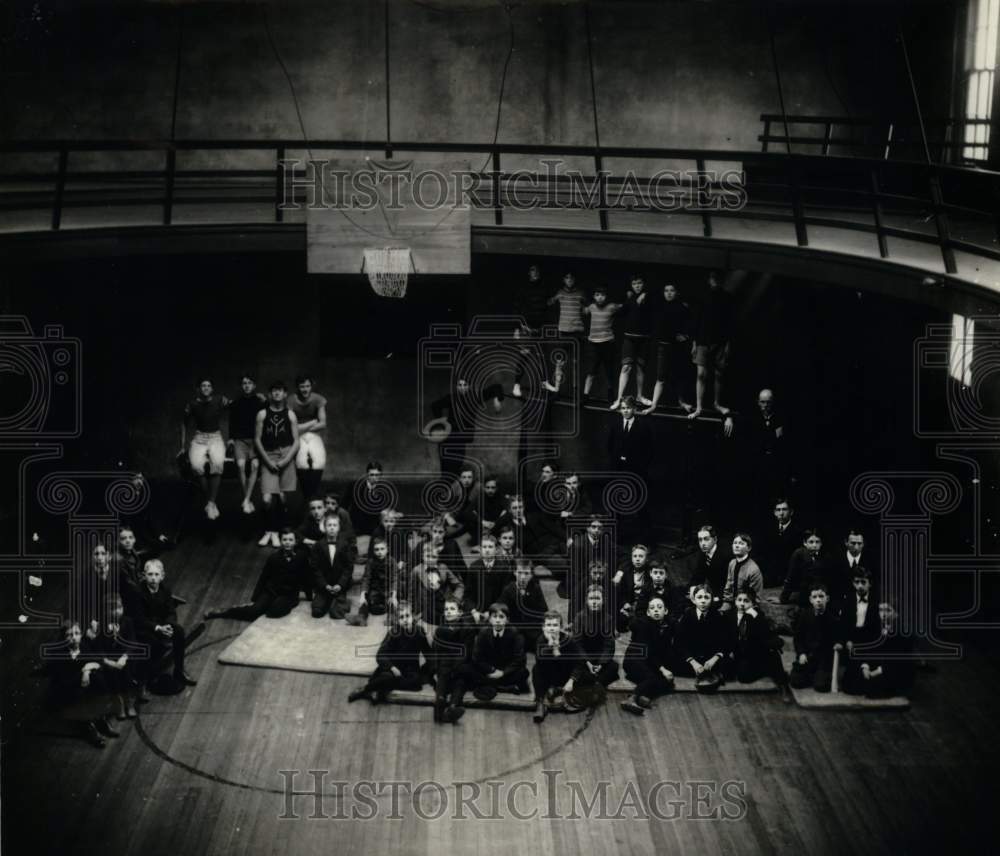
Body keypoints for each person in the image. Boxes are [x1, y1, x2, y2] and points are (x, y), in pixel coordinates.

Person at [204, 528, 308, 622]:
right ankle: (225, 611)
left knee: (273, 612)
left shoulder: (301, 557)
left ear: (296, 542)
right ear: (281, 541)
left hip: (288, 595)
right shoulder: (274, 557)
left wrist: (309, 595)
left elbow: (307, 576)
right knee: (254, 611)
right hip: (272, 591)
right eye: (285, 540)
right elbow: (264, 577)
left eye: (290, 540)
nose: (287, 543)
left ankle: (269, 605)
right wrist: (256, 598)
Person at [45, 620, 118, 748]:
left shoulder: (83, 646)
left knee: (97, 678)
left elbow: (96, 661)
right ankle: (89, 728)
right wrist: (82, 674)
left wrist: (86, 670)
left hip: (84, 682)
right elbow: (64, 682)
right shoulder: (58, 655)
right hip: (68, 688)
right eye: (69, 635)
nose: (74, 637)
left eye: (77, 633)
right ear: (63, 638)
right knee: (79, 695)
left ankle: (101, 720)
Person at [132, 558, 198, 689]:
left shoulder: (165, 590)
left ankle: (179, 671)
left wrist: (168, 625)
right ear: (144, 576)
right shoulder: (137, 592)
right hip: (145, 628)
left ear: (162, 576)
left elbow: (171, 611)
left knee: (179, 631)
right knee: (155, 643)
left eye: (156, 575)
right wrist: (157, 628)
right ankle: (151, 676)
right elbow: (138, 618)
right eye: (150, 574)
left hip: (162, 624)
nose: (153, 578)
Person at [347, 602, 429, 704]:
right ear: (398, 621)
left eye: (407, 616)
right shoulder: (393, 632)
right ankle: (365, 689)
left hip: (409, 669)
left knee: (416, 684)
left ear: (412, 616)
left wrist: (426, 671)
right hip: (392, 667)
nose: (405, 620)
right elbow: (380, 655)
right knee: (388, 677)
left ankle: (379, 687)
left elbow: (429, 654)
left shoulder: (419, 632)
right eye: (401, 617)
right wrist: (392, 668)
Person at [254, 380, 300, 548]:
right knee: (267, 499)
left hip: (286, 455)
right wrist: (267, 460)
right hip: (269, 455)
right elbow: (257, 440)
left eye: (280, 391)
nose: (277, 393)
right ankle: (269, 531)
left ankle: (278, 532)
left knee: (282, 497)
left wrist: (286, 460)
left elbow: (296, 442)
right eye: (274, 391)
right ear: (269, 394)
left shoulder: (290, 414)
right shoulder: (262, 414)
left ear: (285, 394)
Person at [453, 602, 530, 700]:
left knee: (523, 672)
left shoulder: (516, 634)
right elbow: (477, 658)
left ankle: (489, 685)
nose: (498, 620)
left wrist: (503, 673)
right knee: (464, 668)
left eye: (501, 617)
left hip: (505, 671)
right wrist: (492, 670)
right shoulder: (483, 632)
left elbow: (519, 659)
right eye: (494, 617)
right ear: (489, 619)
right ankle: (502, 687)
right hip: (488, 670)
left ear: (507, 620)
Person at [841, 601, 916, 697]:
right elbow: (870, 650)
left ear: (896, 614)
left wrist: (876, 672)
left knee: (874, 687)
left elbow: (898, 658)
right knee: (849, 680)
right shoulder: (876, 628)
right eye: (881, 610)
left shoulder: (904, 632)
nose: (883, 614)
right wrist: (866, 667)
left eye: (888, 610)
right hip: (877, 664)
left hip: (893, 668)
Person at [182, 378, 231, 521]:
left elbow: (237, 406)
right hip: (199, 438)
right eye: (203, 385)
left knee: (217, 463)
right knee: (196, 466)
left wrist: (261, 398)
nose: (206, 388)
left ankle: (210, 503)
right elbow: (184, 423)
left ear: (212, 389)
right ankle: (211, 502)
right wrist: (182, 446)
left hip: (215, 437)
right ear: (198, 389)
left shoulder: (220, 400)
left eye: (209, 385)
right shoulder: (192, 404)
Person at [642, 282, 693, 414]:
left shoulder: (682, 307)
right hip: (663, 348)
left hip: (677, 348)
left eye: (672, 290)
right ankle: (653, 406)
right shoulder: (660, 306)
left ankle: (681, 402)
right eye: (666, 291)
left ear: (677, 292)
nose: (669, 293)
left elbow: (691, 324)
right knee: (660, 378)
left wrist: (686, 336)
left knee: (679, 376)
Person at [621, 595, 677, 716]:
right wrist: (662, 669)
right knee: (651, 678)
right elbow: (649, 652)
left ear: (665, 610)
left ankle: (644, 695)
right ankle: (632, 698)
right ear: (648, 612)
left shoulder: (669, 624)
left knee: (669, 684)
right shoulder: (644, 625)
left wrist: (666, 669)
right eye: (652, 608)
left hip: (650, 662)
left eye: (659, 607)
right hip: (635, 659)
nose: (656, 610)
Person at [723, 590, 788, 692]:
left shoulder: (756, 616)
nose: (742, 604)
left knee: (745, 677)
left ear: (752, 604)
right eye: (739, 600)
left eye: (746, 601)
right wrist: (730, 650)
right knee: (733, 674)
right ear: (735, 601)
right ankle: (764, 668)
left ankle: (776, 676)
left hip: (753, 651)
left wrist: (754, 616)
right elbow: (726, 636)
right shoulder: (729, 616)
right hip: (737, 651)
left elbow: (764, 635)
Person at [531, 611, 585, 723]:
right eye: (549, 625)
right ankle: (540, 701)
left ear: (560, 627)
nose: (552, 629)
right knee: (536, 669)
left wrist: (571, 680)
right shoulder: (541, 640)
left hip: (564, 674)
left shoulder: (569, 640)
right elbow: (540, 662)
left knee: (585, 677)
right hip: (548, 675)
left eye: (555, 625)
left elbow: (579, 662)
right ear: (543, 627)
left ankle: (560, 691)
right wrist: (550, 646)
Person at [610, 276, 654, 409]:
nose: (637, 286)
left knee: (640, 368)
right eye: (634, 283)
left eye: (639, 283)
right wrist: (618, 306)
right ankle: (618, 399)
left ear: (644, 284)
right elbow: (620, 312)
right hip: (629, 338)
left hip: (644, 339)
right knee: (626, 367)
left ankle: (640, 396)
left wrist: (646, 294)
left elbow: (659, 296)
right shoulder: (630, 298)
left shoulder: (650, 297)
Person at [429, 596, 475, 724]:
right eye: (446, 609)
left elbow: (466, 652)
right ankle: (440, 702)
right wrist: (434, 670)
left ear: (460, 612)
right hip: (444, 666)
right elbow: (435, 652)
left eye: (452, 609)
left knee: (460, 681)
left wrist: (454, 669)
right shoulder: (440, 630)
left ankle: (453, 707)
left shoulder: (467, 629)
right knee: (442, 675)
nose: (448, 612)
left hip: (460, 665)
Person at [674, 583, 727, 692]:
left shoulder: (717, 616)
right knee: (672, 660)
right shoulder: (687, 615)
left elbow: (724, 641)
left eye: (706, 597)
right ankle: (705, 673)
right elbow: (679, 642)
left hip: (710, 657)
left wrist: (714, 658)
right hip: (693, 656)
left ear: (711, 599)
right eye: (699, 597)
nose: (703, 601)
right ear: (694, 600)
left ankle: (708, 672)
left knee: (729, 663)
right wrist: (693, 662)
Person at [512, 263, 553, 400]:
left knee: (542, 356)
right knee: (524, 355)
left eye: (537, 270)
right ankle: (516, 385)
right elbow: (517, 309)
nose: (534, 273)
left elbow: (546, 309)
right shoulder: (523, 289)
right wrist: (517, 328)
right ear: (529, 273)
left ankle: (544, 382)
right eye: (532, 270)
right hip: (526, 328)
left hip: (539, 329)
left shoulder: (544, 289)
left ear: (539, 273)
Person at [789, 583, 841, 693]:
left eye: (821, 596)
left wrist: (837, 644)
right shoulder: (805, 615)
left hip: (823, 659)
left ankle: (819, 675)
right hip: (808, 656)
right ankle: (810, 675)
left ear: (827, 598)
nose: (818, 600)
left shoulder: (833, 619)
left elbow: (837, 638)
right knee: (795, 681)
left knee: (821, 686)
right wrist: (801, 653)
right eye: (815, 597)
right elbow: (798, 638)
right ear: (810, 600)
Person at [229, 374, 266, 515]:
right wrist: (231, 438)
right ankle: (248, 499)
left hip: (256, 440)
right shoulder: (236, 402)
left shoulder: (260, 401)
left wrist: (266, 400)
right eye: (244, 383)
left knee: (255, 465)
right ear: (241, 385)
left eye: (250, 383)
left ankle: (246, 499)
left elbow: (270, 414)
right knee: (240, 465)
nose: (247, 385)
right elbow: (232, 421)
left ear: (254, 385)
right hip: (240, 440)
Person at [570, 586, 620, 688]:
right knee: (574, 667)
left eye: (597, 599)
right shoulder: (579, 618)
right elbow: (577, 643)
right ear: (586, 601)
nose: (594, 602)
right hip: (584, 657)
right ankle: (597, 683)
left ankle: (594, 683)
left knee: (614, 666)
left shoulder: (608, 619)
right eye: (591, 598)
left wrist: (601, 664)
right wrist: (588, 663)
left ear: (603, 600)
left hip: (599, 657)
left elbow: (609, 645)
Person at [289, 375, 328, 502]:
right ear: (297, 387)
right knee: (302, 463)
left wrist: (301, 427)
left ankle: (313, 495)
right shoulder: (291, 400)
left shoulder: (318, 399)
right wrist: (311, 423)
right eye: (301, 386)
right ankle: (307, 497)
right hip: (297, 436)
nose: (304, 389)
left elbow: (323, 423)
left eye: (307, 386)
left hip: (313, 435)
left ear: (311, 386)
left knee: (319, 461)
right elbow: (290, 427)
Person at [547, 271, 587, 394]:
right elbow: (549, 302)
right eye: (567, 277)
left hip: (577, 332)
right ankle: (556, 389)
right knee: (559, 362)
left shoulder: (581, 293)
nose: (569, 279)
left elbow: (588, 308)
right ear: (564, 279)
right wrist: (552, 299)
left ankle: (575, 391)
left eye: (571, 277)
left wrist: (586, 309)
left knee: (575, 363)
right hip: (564, 332)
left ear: (574, 279)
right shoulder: (560, 293)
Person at [309, 513, 354, 620]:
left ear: (339, 528)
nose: (332, 528)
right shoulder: (318, 546)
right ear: (324, 528)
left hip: (339, 584)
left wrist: (340, 584)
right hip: (324, 585)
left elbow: (349, 567)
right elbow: (315, 568)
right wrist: (325, 585)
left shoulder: (344, 545)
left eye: (335, 525)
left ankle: (338, 599)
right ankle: (326, 599)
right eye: (329, 525)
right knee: (317, 612)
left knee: (336, 614)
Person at [346, 536, 399, 627]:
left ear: (387, 550)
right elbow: (366, 578)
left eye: (382, 549)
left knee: (392, 601)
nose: (379, 552)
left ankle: (392, 618)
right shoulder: (370, 562)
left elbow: (394, 579)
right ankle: (361, 617)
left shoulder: (392, 562)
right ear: (373, 551)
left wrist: (394, 596)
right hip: (375, 591)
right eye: (377, 550)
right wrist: (363, 595)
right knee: (366, 603)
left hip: (388, 590)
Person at [409, 541, 465, 626]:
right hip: (426, 609)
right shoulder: (416, 571)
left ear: (438, 557)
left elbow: (459, 585)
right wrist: (412, 611)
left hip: (444, 606)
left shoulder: (443, 568)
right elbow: (411, 593)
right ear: (422, 557)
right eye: (427, 556)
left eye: (434, 557)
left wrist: (455, 600)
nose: (430, 560)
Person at [498, 558, 549, 650]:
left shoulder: (536, 589)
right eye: (520, 573)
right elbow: (501, 610)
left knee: (544, 645)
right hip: (515, 630)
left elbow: (543, 610)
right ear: (514, 572)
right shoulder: (508, 590)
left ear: (531, 575)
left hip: (533, 631)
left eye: (526, 574)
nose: (522, 577)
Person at [581, 285, 622, 402]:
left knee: (609, 371)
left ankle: (610, 394)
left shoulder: (612, 307)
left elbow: (626, 307)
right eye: (597, 295)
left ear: (606, 297)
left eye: (602, 295)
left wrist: (630, 297)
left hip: (608, 344)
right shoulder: (592, 307)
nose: (600, 298)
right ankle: (585, 396)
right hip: (594, 344)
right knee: (591, 371)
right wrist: (580, 303)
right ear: (594, 296)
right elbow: (584, 311)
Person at [780, 529, 833, 607]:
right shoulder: (799, 554)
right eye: (811, 542)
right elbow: (791, 576)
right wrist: (783, 598)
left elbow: (829, 579)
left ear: (821, 543)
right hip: (804, 593)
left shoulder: (826, 556)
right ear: (805, 543)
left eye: (817, 542)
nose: (814, 545)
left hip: (821, 593)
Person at [612, 543, 653, 633]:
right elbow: (621, 591)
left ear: (646, 559)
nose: (637, 559)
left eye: (641, 556)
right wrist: (624, 603)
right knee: (621, 623)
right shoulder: (627, 571)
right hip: (630, 603)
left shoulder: (650, 572)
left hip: (644, 604)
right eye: (635, 556)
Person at [688, 525, 732, 607]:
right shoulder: (703, 553)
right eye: (700, 540)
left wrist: (718, 598)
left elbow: (730, 583)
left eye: (706, 539)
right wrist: (693, 587)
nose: (703, 543)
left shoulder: (726, 556)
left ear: (715, 539)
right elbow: (698, 574)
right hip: (711, 590)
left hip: (724, 594)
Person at [721, 533, 764, 612]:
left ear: (749, 548)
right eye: (735, 543)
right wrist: (727, 602)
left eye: (741, 543)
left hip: (747, 605)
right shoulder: (732, 563)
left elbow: (755, 598)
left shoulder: (753, 569)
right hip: (732, 603)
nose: (737, 546)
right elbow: (729, 585)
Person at [343, 461, 386, 537]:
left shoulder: (384, 490)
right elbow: (344, 505)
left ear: (381, 476)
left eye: (377, 475)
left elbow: (386, 509)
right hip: (356, 527)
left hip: (375, 529)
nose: (374, 478)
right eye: (371, 475)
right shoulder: (355, 486)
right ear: (367, 475)